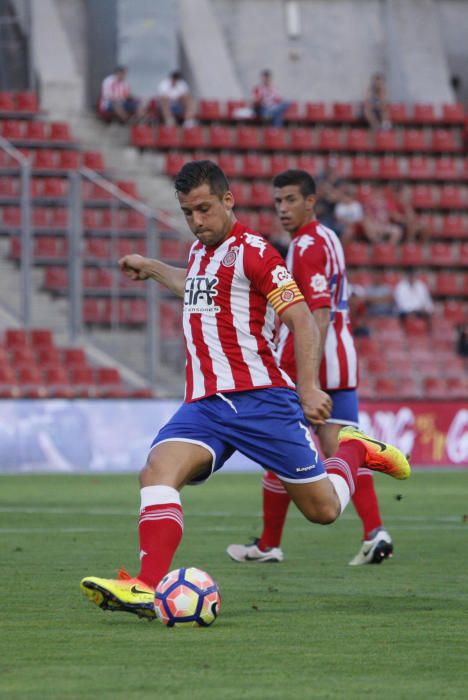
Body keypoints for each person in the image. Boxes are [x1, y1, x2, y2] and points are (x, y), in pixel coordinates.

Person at [80, 160, 410, 619]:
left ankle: (353, 451)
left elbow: (301, 318)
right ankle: (145, 585)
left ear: (227, 200)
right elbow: (191, 283)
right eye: (187, 213)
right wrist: (152, 267)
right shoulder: (200, 255)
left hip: (262, 401)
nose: (197, 222)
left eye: (204, 209)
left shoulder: (255, 251)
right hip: (205, 405)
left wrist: (309, 387)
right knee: (156, 472)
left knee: (324, 511)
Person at [227, 170, 394, 567]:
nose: (282, 209)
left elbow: (316, 313)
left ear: (311, 201)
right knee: (347, 449)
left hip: (316, 360)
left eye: (289, 200)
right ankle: (374, 532)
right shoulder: (329, 237)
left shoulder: (305, 246)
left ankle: (269, 545)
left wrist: (308, 377)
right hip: (343, 355)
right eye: (277, 202)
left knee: (279, 447)